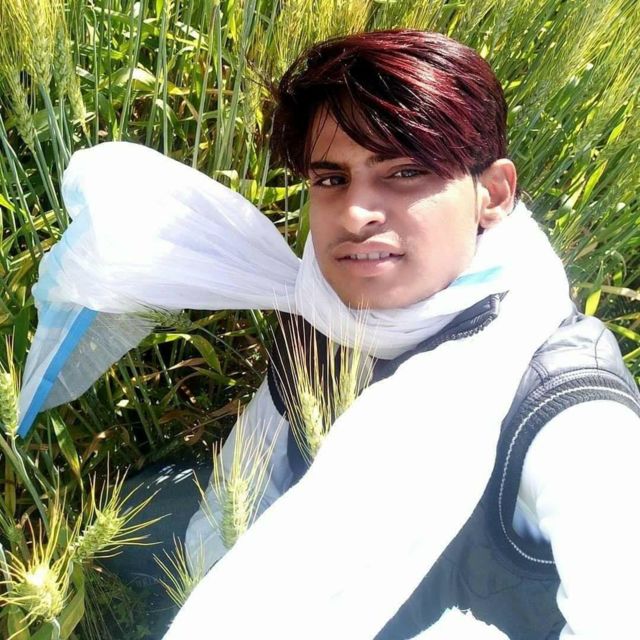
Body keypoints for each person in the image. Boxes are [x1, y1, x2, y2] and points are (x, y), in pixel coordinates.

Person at [18, 29, 640, 639]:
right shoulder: (320, 308)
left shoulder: (569, 410)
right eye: (331, 179)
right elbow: (250, 468)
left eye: (404, 172)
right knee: (138, 515)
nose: (356, 214)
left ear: (493, 194)